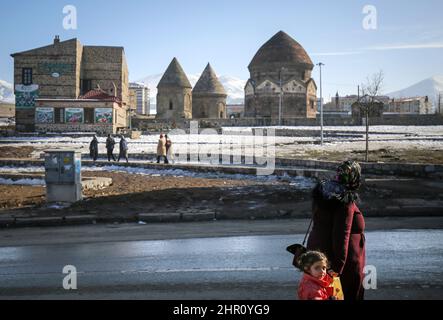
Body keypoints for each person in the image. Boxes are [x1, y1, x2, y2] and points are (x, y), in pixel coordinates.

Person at [306, 160, 365, 300]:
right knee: (344, 295)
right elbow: (341, 236)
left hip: (318, 254)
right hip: (345, 265)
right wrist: (336, 270)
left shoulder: (324, 191)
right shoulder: (345, 200)